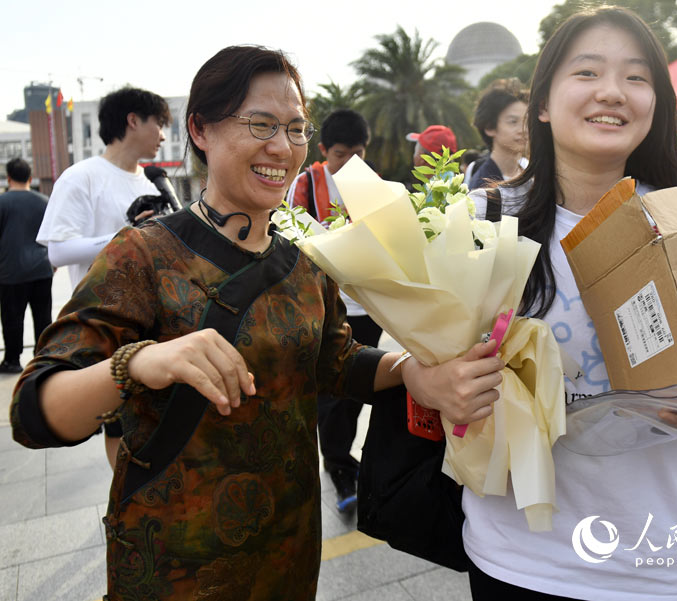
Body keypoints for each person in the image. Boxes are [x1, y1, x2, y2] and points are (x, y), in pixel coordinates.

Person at [9, 45, 502, 601]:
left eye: (296, 129)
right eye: (260, 124)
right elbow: (32, 410)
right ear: (200, 130)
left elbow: (335, 363)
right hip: (173, 566)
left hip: (289, 556)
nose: (283, 147)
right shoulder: (143, 255)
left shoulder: (306, 262)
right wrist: (139, 363)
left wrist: (412, 370)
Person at [463, 8, 677, 600]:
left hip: (656, 559)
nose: (612, 92)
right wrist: (432, 380)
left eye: (636, 77)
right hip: (518, 555)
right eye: (587, 72)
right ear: (542, 104)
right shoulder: (477, 223)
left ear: (657, 103)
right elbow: (418, 367)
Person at [35, 86, 172, 469]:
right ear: (132, 121)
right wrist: (126, 235)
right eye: (158, 124)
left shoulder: (153, 183)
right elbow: (59, 251)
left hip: (158, 317)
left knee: (154, 418)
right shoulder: (81, 178)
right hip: (109, 321)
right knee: (120, 426)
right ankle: (125, 503)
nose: (163, 135)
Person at [286, 108, 378, 512]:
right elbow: (291, 233)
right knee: (332, 396)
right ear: (323, 151)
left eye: (357, 153)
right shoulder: (305, 183)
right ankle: (339, 466)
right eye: (341, 154)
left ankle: (344, 460)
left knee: (358, 391)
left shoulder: (372, 185)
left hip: (370, 306)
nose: (351, 162)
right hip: (325, 307)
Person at [0, 158, 53, 373]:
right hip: (42, 268)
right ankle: (43, 358)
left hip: (11, 271)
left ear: (8, 178)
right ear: (31, 178)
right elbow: (52, 234)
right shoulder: (44, 201)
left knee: (12, 317)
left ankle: (12, 360)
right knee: (43, 316)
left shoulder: (2, 202)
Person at [467, 78, 529, 190]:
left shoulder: (532, 172)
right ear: (489, 127)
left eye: (526, 121)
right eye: (513, 122)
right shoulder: (482, 189)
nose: (524, 130)